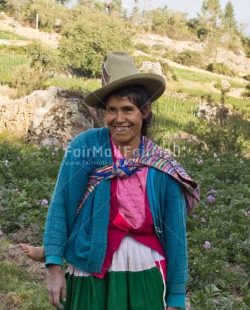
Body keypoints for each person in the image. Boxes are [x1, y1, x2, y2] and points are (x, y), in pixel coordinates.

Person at [20, 52, 199, 310]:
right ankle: (49, 250)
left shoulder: (162, 166)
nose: (119, 119)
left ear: (145, 111)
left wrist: (176, 297)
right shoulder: (86, 147)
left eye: (128, 110)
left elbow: (176, 236)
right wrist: (55, 269)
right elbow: (62, 205)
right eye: (111, 110)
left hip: (144, 269)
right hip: (90, 267)